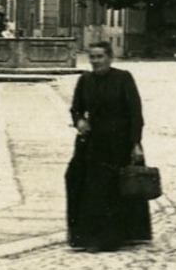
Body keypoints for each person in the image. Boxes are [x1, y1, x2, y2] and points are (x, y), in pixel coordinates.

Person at [65, 41, 151, 252]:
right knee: (77, 180)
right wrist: (79, 121)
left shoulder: (123, 78)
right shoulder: (85, 80)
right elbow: (76, 108)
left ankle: (110, 238)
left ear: (110, 58)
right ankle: (84, 235)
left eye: (100, 57)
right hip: (91, 143)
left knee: (110, 189)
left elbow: (135, 113)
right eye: (92, 57)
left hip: (118, 143)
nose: (95, 61)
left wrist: (136, 143)